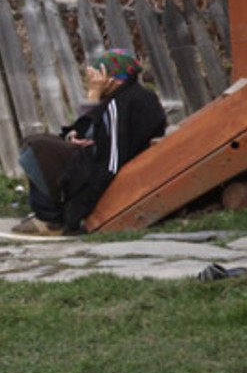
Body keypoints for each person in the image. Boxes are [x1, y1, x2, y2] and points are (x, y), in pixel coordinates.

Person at [14, 49, 166, 236]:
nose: (92, 81)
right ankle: (47, 214)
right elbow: (88, 127)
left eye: (97, 77)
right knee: (40, 142)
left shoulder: (122, 103)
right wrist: (77, 132)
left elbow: (112, 160)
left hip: (99, 166)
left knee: (37, 148)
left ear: (111, 79)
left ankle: (51, 219)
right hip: (93, 154)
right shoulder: (124, 97)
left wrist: (76, 213)